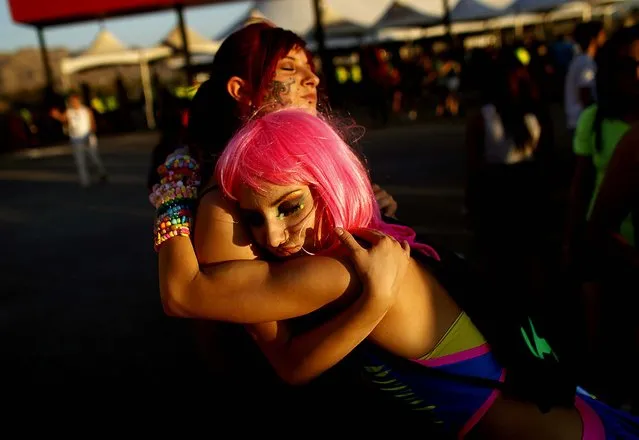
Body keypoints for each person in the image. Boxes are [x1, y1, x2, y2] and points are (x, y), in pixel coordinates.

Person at [189, 108, 636, 438]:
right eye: (252, 217)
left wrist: (173, 192)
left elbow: (186, 293)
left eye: (290, 206)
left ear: (327, 184)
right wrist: (374, 303)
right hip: (569, 415)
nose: (273, 235)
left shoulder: (338, 270)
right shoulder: (372, 242)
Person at [153, 21, 398, 412]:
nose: (312, 77)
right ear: (241, 90)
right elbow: (193, 305)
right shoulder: (227, 200)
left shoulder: (300, 163)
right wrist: (173, 194)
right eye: (289, 68)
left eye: (308, 65)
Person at [50, 93, 108, 187]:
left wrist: (90, 135)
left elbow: (92, 124)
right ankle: (85, 180)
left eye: (75, 101)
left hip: (87, 137)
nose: (73, 103)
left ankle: (101, 172)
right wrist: (57, 116)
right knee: (80, 160)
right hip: (76, 138)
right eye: (72, 102)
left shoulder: (86, 110)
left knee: (94, 158)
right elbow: (64, 119)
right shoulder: (69, 112)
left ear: (79, 101)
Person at [564, 21, 606, 137]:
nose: (604, 38)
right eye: (602, 34)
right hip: (582, 122)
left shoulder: (579, 60)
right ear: (594, 38)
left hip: (577, 120)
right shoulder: (585, 62)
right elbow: (585, 94)